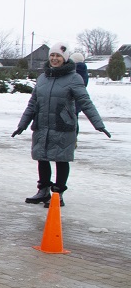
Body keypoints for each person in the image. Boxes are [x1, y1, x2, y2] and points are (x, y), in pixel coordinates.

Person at [13, 41, 109, 208]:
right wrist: (22, 125)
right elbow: (32, 104)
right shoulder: (43, 77)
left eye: (58, 56)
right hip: (42, 125)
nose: (54, 59)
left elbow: (85, 102)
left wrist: (98, 124)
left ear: (64, 58)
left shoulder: (74, 78)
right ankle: (43, 191)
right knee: (42, 158)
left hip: (62, 125)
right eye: (52, 55)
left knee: (61, 159)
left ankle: (58, 195)